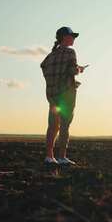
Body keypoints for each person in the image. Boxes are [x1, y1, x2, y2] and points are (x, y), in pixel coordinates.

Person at [40, 26, 85, 165]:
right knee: (64, 125)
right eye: (72, 36)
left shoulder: (50, 55)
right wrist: (79, 70)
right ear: (65, 38)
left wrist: (52, 82)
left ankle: (49, 156)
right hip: (66, 94)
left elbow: (43, 66)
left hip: (52, 95)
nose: (73, 39)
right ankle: (62, 156)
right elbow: (72, 70)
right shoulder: (70, 52)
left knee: (53, 125)